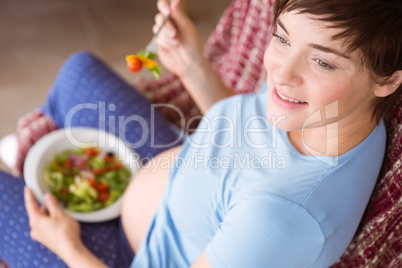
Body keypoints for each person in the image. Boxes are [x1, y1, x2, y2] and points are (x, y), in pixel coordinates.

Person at [0, 0, 401, 267]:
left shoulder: (281, 219)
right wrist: (192, 66)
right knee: (78, 71)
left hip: (126, 255)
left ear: (388, 80)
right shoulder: (330, 112)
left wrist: (67, 245)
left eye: (322, 62)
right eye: (281, 37)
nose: (280, 72)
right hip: (181, 169)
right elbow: (250, 130)